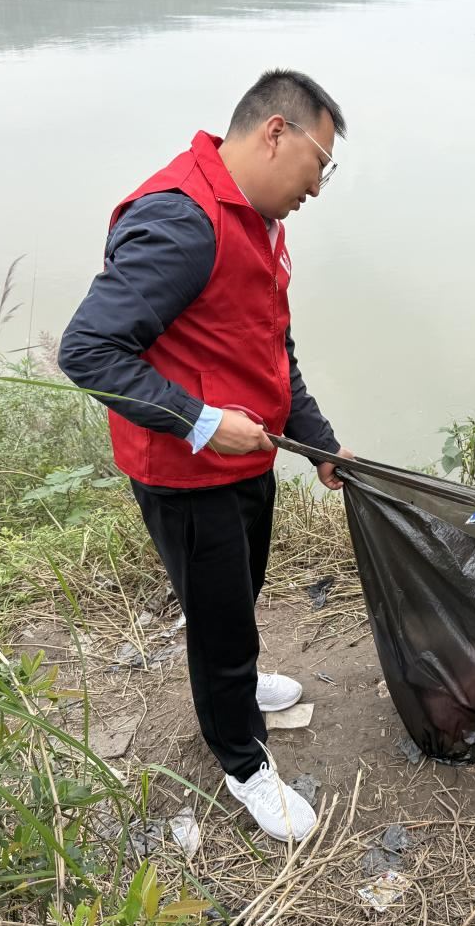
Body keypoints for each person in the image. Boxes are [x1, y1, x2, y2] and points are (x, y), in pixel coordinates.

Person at [58, 69, 352, 842]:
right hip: (186, 471)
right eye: (319, 164)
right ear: (275, 132)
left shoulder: (257, 220)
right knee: (218, 617)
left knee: (238, 591)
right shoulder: (181, 220)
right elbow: (88, 349)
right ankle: (243, 762)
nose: (318, 188)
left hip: (246, 456)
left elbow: (264, 345)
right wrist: (195, 421)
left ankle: (240, 685)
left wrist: (316, 440)